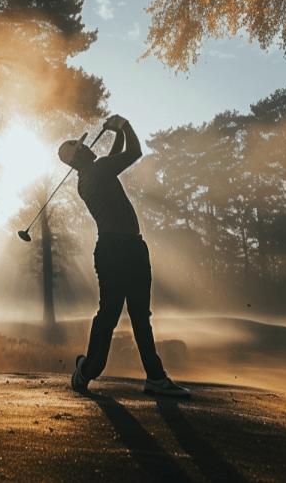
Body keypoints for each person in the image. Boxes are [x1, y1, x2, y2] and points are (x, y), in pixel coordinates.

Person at [58, 115, 189, 399]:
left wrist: (115, 131)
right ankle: (86, 370)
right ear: (79, 157)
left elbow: (113, 157)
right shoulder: (99, 169)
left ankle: (154, 377)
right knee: (114, 316)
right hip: (119, 251)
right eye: (81, 147)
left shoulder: (87, 178)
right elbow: (134, 153)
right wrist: (125, 125)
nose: (87, 146)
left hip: (121, 248)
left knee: (135, 316)